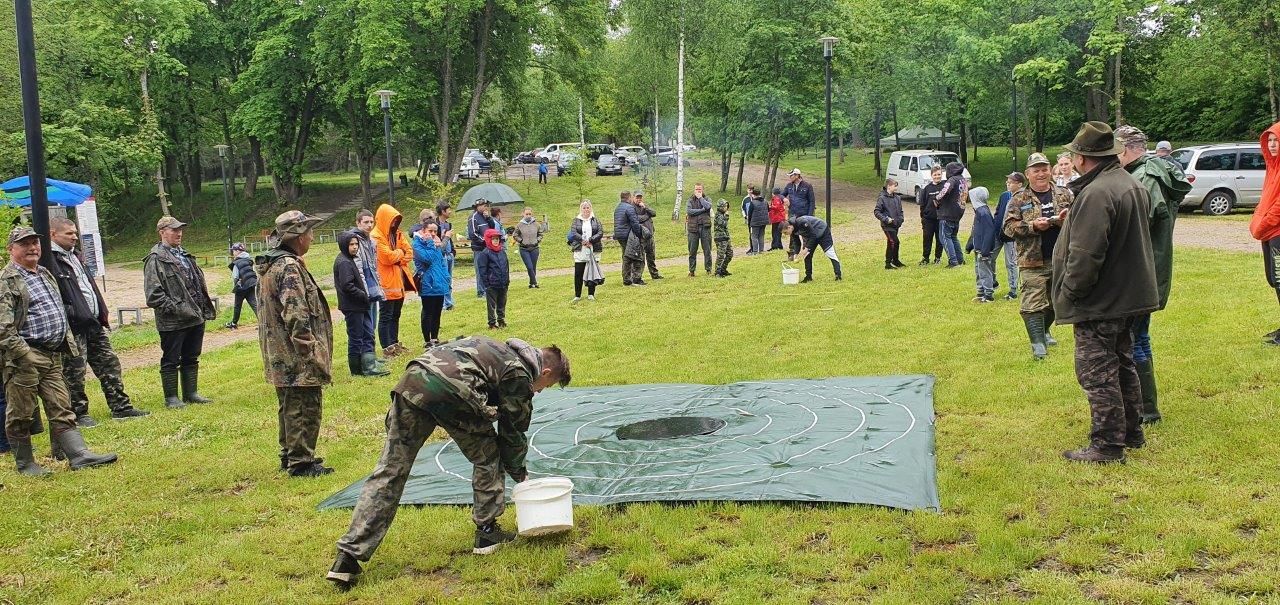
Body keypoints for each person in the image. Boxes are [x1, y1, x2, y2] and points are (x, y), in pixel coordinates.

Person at [326, 337, 572, 589]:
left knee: (390, 470)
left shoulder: (494, 347)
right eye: (545, 385)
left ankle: (348, 557)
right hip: (453, 391)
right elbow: (513, 432)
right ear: (545, 371)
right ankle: (487, 533)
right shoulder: (519, 373)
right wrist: (520, 473)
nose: (539, 391)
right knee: (489, 457)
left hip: (413, 381)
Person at [1053, 121, 1158, 464]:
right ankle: (1131, 432)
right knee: (1122, 363)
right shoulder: (1127, 183)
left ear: (1083, 158)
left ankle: (1108, 445)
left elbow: (1086, 255)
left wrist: (1069, 292)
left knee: (1097, 373)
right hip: (1127, 296)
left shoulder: (1098, 192)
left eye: (1074, 154)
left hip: (1102, 300)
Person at [2, 226, 118, 476]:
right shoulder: (6, 281)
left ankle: (78, 455)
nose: (33, 248)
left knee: (61, 406)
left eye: (35, 243)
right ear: (11, 249)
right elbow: (3, 328)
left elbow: (57, 310)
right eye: (25, 244)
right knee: (21, 413)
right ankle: (26, 464)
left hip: (52, 354)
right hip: (24, 358)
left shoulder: (44, 273)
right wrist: (25, 354)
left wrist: (67, 345)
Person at [1116, 125, 1192, 424]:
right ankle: (1143, 407)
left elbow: (1136, 225)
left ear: (1126, 148)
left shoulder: (1146, 176)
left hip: (1141, 270)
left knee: (1135, 339)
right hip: (1145, 267)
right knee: (1137, 337)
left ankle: (1146, 409)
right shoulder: (1148, 171)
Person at [256, 211, 335, 476]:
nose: (312, 236)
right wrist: (309, 350)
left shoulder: (273, 264)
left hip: (280, 352)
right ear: (299, 237)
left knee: (289, 404)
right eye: (309, 232)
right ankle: (301, 463)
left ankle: (290, 454)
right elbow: (296, 312)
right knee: (304, 405)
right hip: (295, 354)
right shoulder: (288, 266)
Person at [49, 217, 148, 425]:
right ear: (53, 234)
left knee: (109, 363)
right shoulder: (50, 260)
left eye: (75, 232)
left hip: (94, 322)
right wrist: (71, 314)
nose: (75, 237)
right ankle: (79, 414)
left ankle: (121, 407)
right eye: (69, 233)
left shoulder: (75, 256)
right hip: (73, 326)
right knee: (74, 372)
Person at [1003, 153, 1074, 360]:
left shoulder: (1065, 194)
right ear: (1028, 174)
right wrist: (1033, 226)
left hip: (1062, 257)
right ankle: (1038, 345)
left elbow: (1080, 219)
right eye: (1036, 170)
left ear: (1051, 170)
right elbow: (1008, 228)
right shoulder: (1018, 199)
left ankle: (1044, 330)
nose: (1041, 174)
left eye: (1044, 169)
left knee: (1057, 301)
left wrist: (1064, 222)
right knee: (1032, 302)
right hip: (1032, 259)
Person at [143, 216, 216, 408]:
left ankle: (191, 393)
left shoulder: (184, 255)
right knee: (171, 359)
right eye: (174, 230)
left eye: (180, 230)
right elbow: (153, 295)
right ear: (162, 232)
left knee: (191, 356)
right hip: (173, 321)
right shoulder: (155, 259)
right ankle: (171, 398)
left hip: (195, 317)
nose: (179, 233)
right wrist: (177, 309)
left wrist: (198, 310)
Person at [335, 231, 387, 378]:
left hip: (359, 305)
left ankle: (369, 364)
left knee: (368, 333)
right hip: (353, 306)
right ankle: (357, 370)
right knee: (356, 337)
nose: (354, 247)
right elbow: (347, 286)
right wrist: (363, 295)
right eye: (351, 244)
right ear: (344, 245)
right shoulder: (344, 261)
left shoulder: (349, 259)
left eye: (356, 244)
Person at [1250, 122, 1280, 344]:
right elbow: (1265, 201)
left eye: (1276, 140)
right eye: (1269, 140)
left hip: (1277, 232)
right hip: (1269, 233)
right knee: (1274, 279)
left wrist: (1262, 225)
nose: (1271, 144)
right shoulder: (1273, 167)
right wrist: (1257, 222)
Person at [373, 204, 416, 357]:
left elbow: (410, 252)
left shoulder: (396, 234)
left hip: (399, 282)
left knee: (396, 315)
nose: (394, 223)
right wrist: (399, 253)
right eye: (392, 220)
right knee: (386, 316)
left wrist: (398, 257)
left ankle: (395, 344)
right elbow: (387, 258)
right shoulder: (376, 236)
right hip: (386, 283)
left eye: (396, 220)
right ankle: (387, 348)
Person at [353, 210, 388, 369]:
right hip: (362, 288)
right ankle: (364, 358)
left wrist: (378, 287)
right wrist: (365, 291)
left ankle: (371, 355)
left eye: (371, 222)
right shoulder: (355, 242)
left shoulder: (371, 241)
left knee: (372, 322)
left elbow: (374, 267)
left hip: (373, 285)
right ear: (358, 223)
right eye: (365, 222)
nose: (369, 225)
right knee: (364, 325)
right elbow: (359, 268)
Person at [412, 220, 450, 348]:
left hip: (439, 281)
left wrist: (446, 277)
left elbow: (440, 261)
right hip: (427, 282)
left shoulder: (436, 244)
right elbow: (428, 258)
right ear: (423, 231)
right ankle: (427, 340)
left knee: (437, 312)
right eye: (430, 231)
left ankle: (435, 337)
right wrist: (430, 243)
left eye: (435, 231)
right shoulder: (417, 244)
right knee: (428, 311)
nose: (433, 234)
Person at [965, 187, 999, 302]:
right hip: (978, 247)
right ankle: (980, 292)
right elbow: (975, 230)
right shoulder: (978, 212)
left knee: (985, 271)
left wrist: (985, 251)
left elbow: (989, 232)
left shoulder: (983, 213)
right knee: (978, 271)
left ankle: (988, 294)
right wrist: (970, 245)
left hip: (984, 250)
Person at [785, 215, 842, 282]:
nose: (785, 234)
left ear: (789, 227)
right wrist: (796, 254)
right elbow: (797, 242)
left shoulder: (802, 222)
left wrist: (806, 249)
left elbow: (813, 236)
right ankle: (808, 277)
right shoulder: (792, 230)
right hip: (811, 236)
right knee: (807, 256)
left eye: (785, 232)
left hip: (822, 232)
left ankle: (838, 275)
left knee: (830, 253)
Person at [995, 173, 1025, 300]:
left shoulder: (1024, 197)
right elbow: (998, 213)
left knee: (1011, 263)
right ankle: (991, 282)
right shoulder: (1004, 196)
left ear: (1019, 184)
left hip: (1012, 237)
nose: (1008, 183)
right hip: (1000, 234)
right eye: (1007, 181)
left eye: (1011, 182)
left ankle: (1013, 290)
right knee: (988, 257)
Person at [932, 161, 968, 268]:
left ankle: (953, 262)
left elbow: (945, 190)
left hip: (947, 213)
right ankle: (960, 260)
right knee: (953, 237)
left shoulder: (952, 180)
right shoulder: (963, 180)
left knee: (944, 237)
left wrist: (937, 198)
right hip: (958, 212)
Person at [569, 200, 604, 302]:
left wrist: (591, 240)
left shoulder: (595, 220)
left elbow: (600, 232)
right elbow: (574, 232)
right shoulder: (576, 220)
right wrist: (583, 241)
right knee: (579, 273)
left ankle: (591, 294)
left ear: (590, 208)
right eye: (584, 207)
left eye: (587, 207)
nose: (586, 209)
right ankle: (577, 295)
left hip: (593, 248)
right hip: (580, 249)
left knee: (592, 272)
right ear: (581, 209)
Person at [476, 228, 510, 329]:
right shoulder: (485, 254)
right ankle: (492, 323)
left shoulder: (502, 252)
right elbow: (482, 270)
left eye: (497, 239)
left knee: (502, 302)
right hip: (492, 284)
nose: (496, 241)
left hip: (503, 283)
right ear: (488, 240)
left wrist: (507, 280)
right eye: (494, 239)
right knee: (491, 305)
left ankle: (501, 320)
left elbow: (506, 266)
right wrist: (487, 284)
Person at [613, 191, 647, 286]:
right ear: (629, 197)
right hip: (628, 235)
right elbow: (635, 223)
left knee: (625, 256)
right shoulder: (629, 208)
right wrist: (639, 234)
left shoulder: (618, 208)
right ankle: (634, 279)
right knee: (635, 256)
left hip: (619, 235)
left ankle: (627, 278)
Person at [783, 169, 815, 259]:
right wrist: (784, 199)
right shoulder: (789, 186)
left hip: (804, 214)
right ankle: (792, 254)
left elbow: (812, 202)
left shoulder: (807, 186)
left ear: (797, 175)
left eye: (791, 175)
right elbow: (782, 194)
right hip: (793, 214)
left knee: (805, 234)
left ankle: (806, 253)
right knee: (792, 234)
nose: (790, 177)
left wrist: (809, 216)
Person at [874, 178, 905, 270]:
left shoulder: (897, 198)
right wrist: (886, 219)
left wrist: (901, 219)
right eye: (894, 185)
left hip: (896, 225)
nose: (896, 188)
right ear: (888, 186)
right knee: (894, 241)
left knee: (893, 242)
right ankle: (888, 263)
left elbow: (900, 210)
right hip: (887, 225)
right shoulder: (882, 198)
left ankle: (895, 260)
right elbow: (877, 211)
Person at [513, 207, 548, 288]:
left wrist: (537, 240)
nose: (528, 216)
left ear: (532, 214)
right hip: (524, 249)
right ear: (523, 214)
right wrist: (521, 241)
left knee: (533, 266)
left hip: (534, 248)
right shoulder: (519, 225)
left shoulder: (536, 224)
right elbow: (515, 235)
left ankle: (531, 283)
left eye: (529, 214)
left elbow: (540, 234)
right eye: (526, 214)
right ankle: (535, 283)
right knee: (529, 266)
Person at [917, 166, 946, 265]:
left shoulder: (945, 186)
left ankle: (938, 258)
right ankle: (925, 258)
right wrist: (923, 218)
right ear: (931, 175)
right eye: (935, 175)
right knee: (927, 238)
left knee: (940, 239)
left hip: (941, 218)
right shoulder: (927, 188)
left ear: (941, 175)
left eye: (939, 174)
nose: (937, 176)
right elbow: (922, 204)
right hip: (928, 219)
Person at [225, 242, 257, 330]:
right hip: (251, 283)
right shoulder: (249, 260)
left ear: (238, 251)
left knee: (237, 305)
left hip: (242, 286)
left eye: (234, 251)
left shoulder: (236, 262)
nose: (233, 253)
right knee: (254, 304)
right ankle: (263, 322)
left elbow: (235, 276)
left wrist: (236, 286)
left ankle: (234, 323)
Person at [468, 200, 496, 297]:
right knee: (480, 270)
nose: (485, 207)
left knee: (489, 269)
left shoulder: (486, 216)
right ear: (477, 206)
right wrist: (485, 240)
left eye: (486, 205)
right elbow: (473, 234)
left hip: (489, 247)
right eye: (484, 205)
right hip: (479, 248)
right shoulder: (473, 217)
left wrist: (488, 218)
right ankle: (481, 291)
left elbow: (493, 227)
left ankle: (489, 289)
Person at [686, 184, 713, 277]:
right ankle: (692, 271)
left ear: (702, 190)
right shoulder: (690, 200)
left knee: (707, 250)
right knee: (692, 251)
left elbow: (708, 207)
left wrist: (701, 198)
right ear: (694, 190)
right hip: (693, 229)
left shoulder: (707, 199)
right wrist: (702, 210)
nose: (698, 191)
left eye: (700, 189)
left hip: (705, 227)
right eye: (696, 189)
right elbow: (689, 211)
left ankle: (708, 269)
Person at [634, 192, 663, 280]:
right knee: (641, 258)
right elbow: (636, 219)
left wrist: (645, 208)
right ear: (633, 198)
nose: (639, 199)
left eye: (640, 198)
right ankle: (638, 277)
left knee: (651, 256)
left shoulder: (644, 206)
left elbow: (654, 213)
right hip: (641, 236)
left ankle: (654, 274)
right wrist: (647, 215)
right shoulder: (632, 208)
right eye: (637, 198)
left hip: (650, 235)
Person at [435, 202, 456, 310]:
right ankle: (444, 303)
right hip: (440, 255)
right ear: (443, 211)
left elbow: (449, 239)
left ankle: (449, 301)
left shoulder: (448, 224)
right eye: (448, 209)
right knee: (442, 278)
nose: (450, 211)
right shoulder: (435, 225)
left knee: (448, 278)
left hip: (449, 255)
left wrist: (453, 251)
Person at [745, 186, 769, 255]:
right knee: (761, 236)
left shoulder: (753, 203)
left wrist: (749, 223)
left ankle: (755, 251)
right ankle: (761, 250)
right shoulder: (765, 201)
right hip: (764, 222)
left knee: (754, 236)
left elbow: (749, 214)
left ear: (753, 194)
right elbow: (768, 209)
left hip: (755, 223)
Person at [713, 199, 734, 277]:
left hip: (725, 237)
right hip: (720, 238)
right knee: (721, 255)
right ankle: (717, 272)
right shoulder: (718, 215)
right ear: (720, 207)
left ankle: (723, 269)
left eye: (726, 206)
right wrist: (727, 216)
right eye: (724, 206)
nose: (726, 208)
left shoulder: (723, 214)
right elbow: (723, 224)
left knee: (730, 254)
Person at [768, 187, 787, 251]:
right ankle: (779, 245)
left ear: (773, 193)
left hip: (777, 218)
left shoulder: (776, 198)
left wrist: (770, 207)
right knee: (778, 232)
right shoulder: (780, 197)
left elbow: (777, 207)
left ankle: (775, 246)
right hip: (780, 217)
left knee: (775, 232)